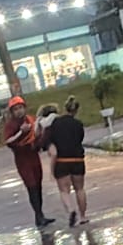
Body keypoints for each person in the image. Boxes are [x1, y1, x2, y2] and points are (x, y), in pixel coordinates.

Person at [2, 95, 55, 228]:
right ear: (12, 112)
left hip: (33, 155)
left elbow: (38, 135)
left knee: (38, 185)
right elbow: (8, 142)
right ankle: (38, 215)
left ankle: (40, 215)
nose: (19, 111)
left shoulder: (32, 120)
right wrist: (21, 132)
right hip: (22, 158)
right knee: (31, 186)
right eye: (16, 109)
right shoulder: (11, 125)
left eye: (20, 108)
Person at [46, 96, 90, 227]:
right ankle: (83, 216)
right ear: (76, 110)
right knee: (80, 189)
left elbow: (50, 139)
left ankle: (71, 210)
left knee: (64, 190)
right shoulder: (78, 124)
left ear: (65, 108)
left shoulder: (56, 123)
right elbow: (80, 139)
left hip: (62, 161)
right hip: (77, 159)